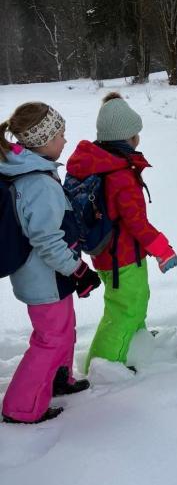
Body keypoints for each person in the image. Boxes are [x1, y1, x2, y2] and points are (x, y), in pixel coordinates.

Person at [0, 103, 100, 424]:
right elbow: (46, 240)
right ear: (42, 141)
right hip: (44, 278)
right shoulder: (38, 183)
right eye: (60, 135)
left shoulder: (35, 169)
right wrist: (79, 270)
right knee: (50, 339)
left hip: (53, 276)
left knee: (64, 329)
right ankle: (21, 408)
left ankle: (59, 379)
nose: (65, 140)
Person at [66, 93, 177, 373]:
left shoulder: (100, 163)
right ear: (128, 139)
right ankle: (105, 366)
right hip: (123, 258)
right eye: (135, 134)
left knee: (135, 301)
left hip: (110, 255)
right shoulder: (120, 175)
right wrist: (163, 250)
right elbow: (136, 222)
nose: (138, 138)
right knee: (123, 311)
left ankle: (136, 342)